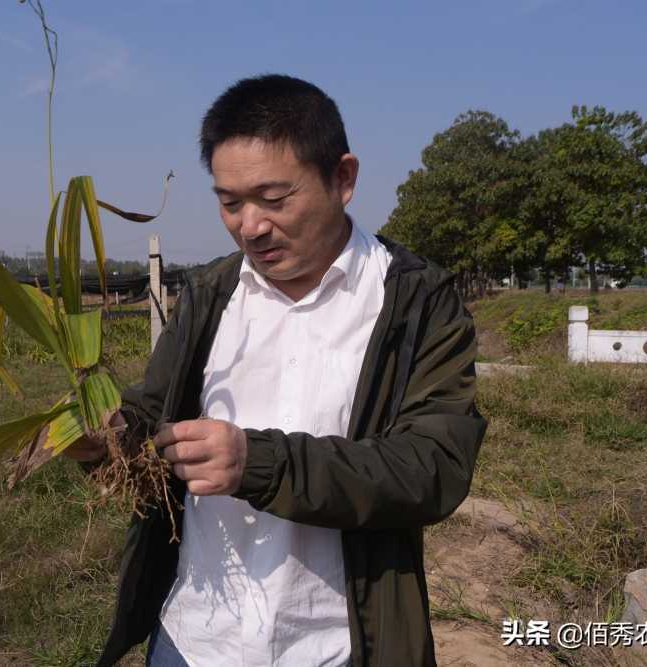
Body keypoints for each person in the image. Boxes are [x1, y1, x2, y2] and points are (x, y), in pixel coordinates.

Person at [67, 74, 487, 667]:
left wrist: (255, 462)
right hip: (195, 638)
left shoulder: (417, 302)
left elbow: (432, 466)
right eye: (230, 202)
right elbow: (148, 415)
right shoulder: (212, 293)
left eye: (274, 198)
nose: (250, 226)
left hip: (335, 648)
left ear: (343, 178)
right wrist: (98, 436)